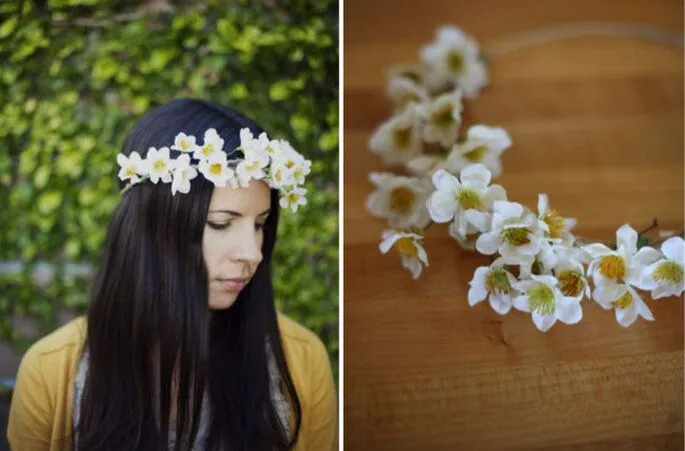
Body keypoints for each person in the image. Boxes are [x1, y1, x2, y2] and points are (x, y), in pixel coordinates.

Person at [6, 99, 337, 451]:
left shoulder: (302, 361)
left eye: (260, 224)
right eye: (222, 223)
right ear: (155, 227)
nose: (252, 253)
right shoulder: (51, 372)